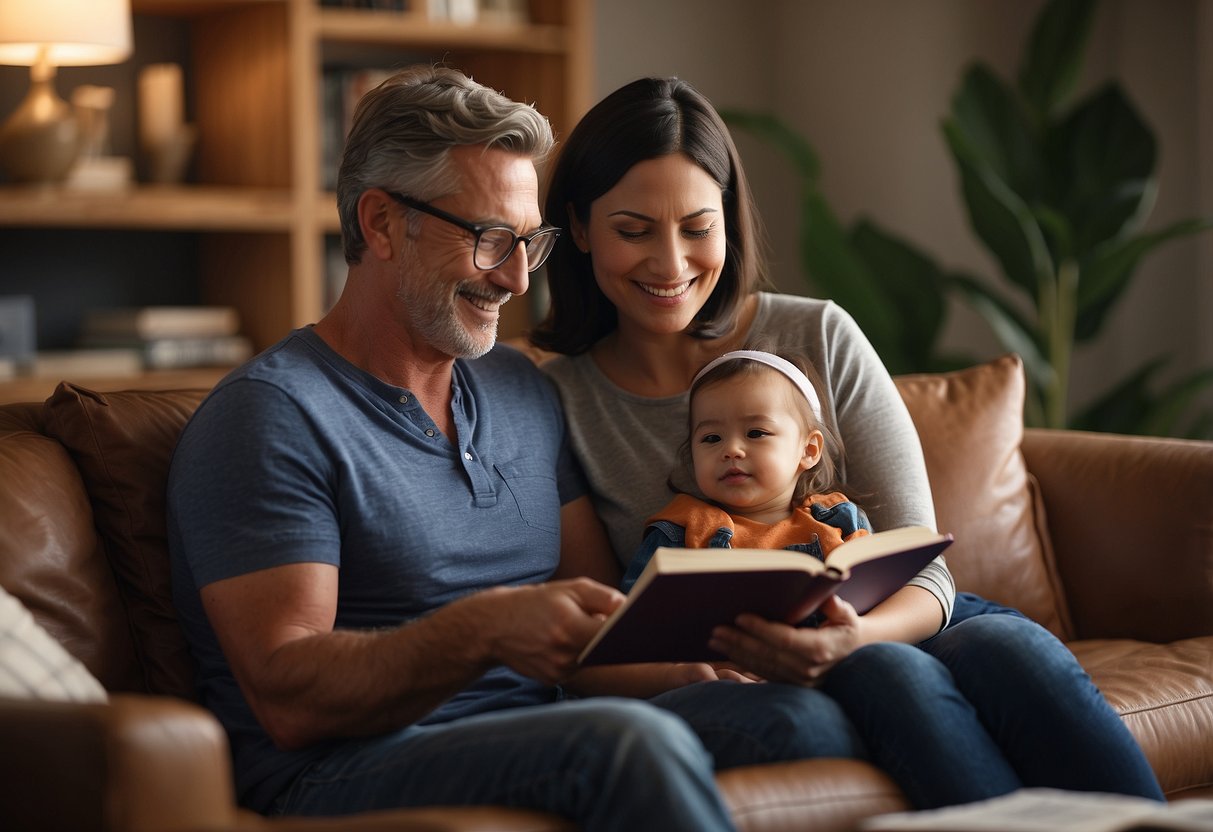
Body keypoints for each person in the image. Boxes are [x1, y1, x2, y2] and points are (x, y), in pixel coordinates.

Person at [532, 75, 1164, 808]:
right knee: (889, 676)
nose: (671, 265)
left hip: (889, 615)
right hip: (750, 664)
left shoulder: (815, 333)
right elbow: (593, 633)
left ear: (729, 223)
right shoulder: (561, 398)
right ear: (578, 229)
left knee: (1010, 648)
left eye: (697, 227)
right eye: (633, 230)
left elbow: (923, 565)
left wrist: (851, 639)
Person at [167, 65, 751, 831]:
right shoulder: (271, 417)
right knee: (618, 744)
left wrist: (698, 668)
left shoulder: (520, 388)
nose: (514, 278)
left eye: (528, 242)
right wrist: (481, 630)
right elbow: (288, 699)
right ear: (380, 224)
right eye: (487, 239)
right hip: (343, 768)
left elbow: (596, 632)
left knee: (793, 718)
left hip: (542, 730)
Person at [620, 348, 872, 594]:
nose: (731, 450)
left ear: (808, 450)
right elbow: (636, 617)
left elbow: (878, 593)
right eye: (711, 438)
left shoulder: (838, 519)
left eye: (755, 433)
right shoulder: (680, 530)